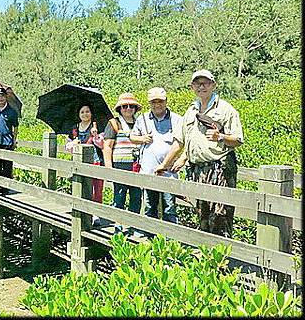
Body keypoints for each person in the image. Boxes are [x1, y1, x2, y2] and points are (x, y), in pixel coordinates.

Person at [155, 70, 243, 238]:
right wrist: (166, 164)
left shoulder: (226, 110)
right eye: (198, 83)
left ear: (213, 85)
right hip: (197, 170)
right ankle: (205, 255)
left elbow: (238, 139)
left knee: (220, 214)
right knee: (202, 213)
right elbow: (180, 142)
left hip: (220, 169)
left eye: (206, 83)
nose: (201, 86)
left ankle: (221, 258)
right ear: (192, 87)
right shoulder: (190, 111)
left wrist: (221, 137)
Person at [130, 87, 182, 224]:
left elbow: (184, 142)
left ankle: (170, 238)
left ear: (166, 101)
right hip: (148, 170)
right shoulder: (143, 119)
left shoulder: (176, 119)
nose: (157, 104)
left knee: (169, 207)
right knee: (149, 206)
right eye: (153, 102)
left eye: (160, 101)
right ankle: (149, 236)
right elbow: (132, 137)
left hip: (169, 172)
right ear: (149, 103)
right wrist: (142, 139)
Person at [99, 93, 142, 218]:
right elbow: (107, 147)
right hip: (119, 165)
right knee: (119, 197)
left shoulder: (140, 123)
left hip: (136, 166)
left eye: (131, 106)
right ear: (120, 108)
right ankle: (118, 227)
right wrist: (109, 168)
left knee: (136, 197)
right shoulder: (114, 123)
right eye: (124, 106)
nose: (128, 108)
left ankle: (134, 225)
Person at [65, 104, 104, 209]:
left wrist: (96, 136)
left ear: (91, 113)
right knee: (82, 186)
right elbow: (67, 147)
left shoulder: (97, 126)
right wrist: (74, 143)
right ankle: (81, 209)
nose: (85, 114)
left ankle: (96, 212)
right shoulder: (75, 128)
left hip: (96, 160)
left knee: (97, 188)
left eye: (87, 111)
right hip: (79, 162)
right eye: (82, 112)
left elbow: (102, 145)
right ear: (78, 114)